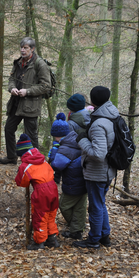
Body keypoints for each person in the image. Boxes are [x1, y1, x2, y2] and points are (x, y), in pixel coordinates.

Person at [72, 86, 117, 249]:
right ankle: (104, 236)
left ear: (92, 100)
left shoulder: (99, 123)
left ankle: (93, 239)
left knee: (96, 206)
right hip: (107, 171)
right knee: (100, 203)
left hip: (97, 172)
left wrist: (82, 140)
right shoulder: (111, 114)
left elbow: (98, 154)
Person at [0, 37, 51, 165]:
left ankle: (35, 163)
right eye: (21, 47)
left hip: (31, 106)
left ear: (32, 49)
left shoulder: (40, 64)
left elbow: (46, 86)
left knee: (31, 135)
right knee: (9, 129)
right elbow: (11, 79)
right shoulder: (18, 62)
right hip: (15, 104)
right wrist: (12, 88)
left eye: (25, 48)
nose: (22, 50)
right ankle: (11, 157)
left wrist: (27, 91)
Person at [15, 134, 60, 250]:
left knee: (40, 216)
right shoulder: (43, 160)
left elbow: (21, 182)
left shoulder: (26, 165)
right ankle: (52, 238)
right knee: (50, 214)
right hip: (53, 188)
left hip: (41, 192)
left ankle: (39, 242)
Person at [51, 130, 87, 240]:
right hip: (85, 181)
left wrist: (54, 153)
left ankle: (76, 228)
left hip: (73, 184)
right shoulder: (79, 141)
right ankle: (77, 231)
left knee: (64, 205)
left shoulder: (65, 148)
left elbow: (56, 165)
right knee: (79, 207)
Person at [48, 113, 69, 184]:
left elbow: (55, 163)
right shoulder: (70, 142)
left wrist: (53, 152)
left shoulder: (57, 146)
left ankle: (57, 178)